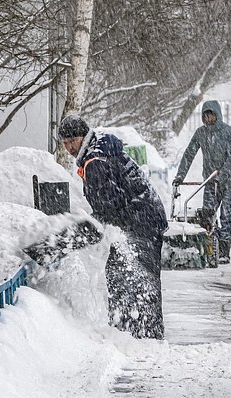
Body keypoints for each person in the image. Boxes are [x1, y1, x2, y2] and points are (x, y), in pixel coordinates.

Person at [58, 115, 168, 340]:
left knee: (128, 276)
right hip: (144, 217)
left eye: (73, 141)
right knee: (131, 275)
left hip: (140, 221)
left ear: (83, 137)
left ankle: (138, 334)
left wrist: (75, 236)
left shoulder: (95, 161)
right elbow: (110, 204)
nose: (69, 147)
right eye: (65, 143)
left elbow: (109, 207)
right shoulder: (98, 149)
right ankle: (138, 331)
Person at [173, 100, 231, 264]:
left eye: (211, 115)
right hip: (210, 181)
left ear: (217, 115)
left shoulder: (228, 132)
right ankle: (207, 246)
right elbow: (189, 154)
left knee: (226, 215)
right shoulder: (201, 133)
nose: (208, 118)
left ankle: (224, 251)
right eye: (206, 115)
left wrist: (222, 175)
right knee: (207, 214)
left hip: (230, 180)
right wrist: (180, 176)